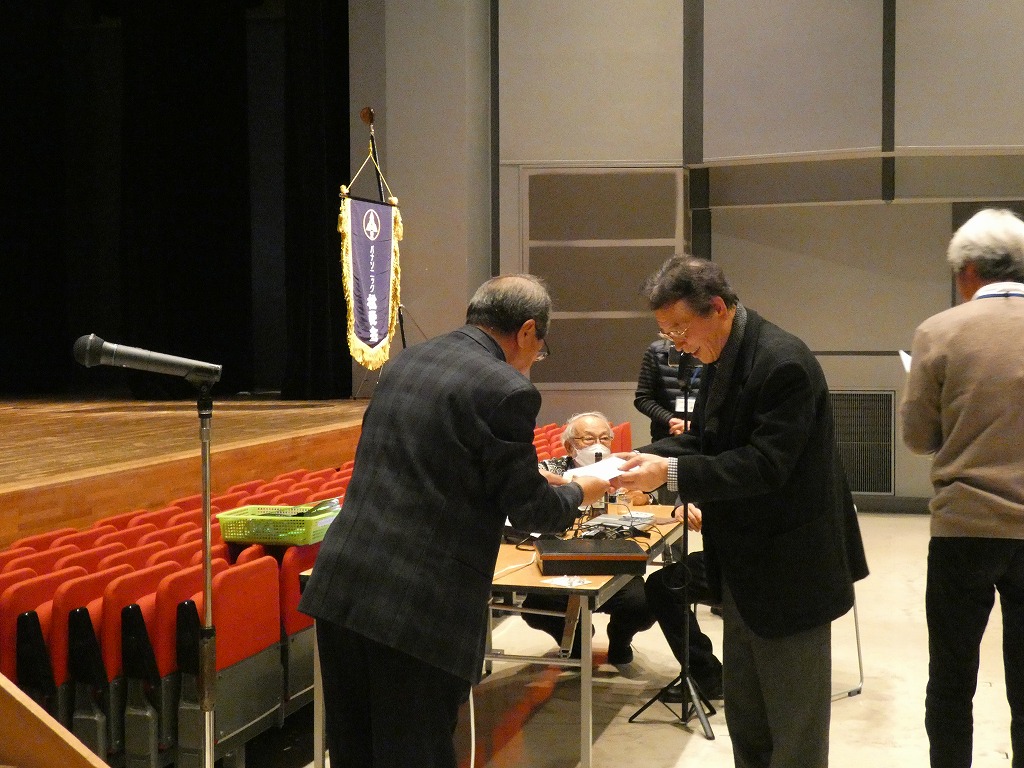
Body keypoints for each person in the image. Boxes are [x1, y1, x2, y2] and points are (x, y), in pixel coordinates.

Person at [298, 274, 610, 768]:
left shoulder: (408, 361)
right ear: (528, 331)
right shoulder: (506, 388)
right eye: (540, 348)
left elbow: (436, 459)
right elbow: (534, 513)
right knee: (415, 754)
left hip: (344, 585)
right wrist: (585, 487)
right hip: (416, 607)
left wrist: (526, 478)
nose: (535, 359)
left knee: (356, 751)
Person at [612, 254, 868, 768]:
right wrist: (641, 459)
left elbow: (765, 465)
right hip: (744, 569)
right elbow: (709, 440)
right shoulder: (720, 357)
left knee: (794, 734)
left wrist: (671, 474)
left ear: (719, 307)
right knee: (748, 724)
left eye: (680, 329)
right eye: (667, 334)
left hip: (791, 571)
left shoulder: (782, 363)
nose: (676, 344)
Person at [900, 208, 1024, 768]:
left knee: (951, 679)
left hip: (964, 528)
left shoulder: (940, 331)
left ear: (967, 270)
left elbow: (917, 438)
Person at [522, 411, 657, 665]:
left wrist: (644, 497)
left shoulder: (621, 469)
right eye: (588, 439)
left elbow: (651, 500)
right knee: (536, 606)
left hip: (611, 560)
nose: (598, 445)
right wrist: (566, 484)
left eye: (605, 438)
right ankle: (577, 639)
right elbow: (531, 484)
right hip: (562, 560)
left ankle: (620, 639)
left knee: (644, 604)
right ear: (569, 446)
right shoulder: (553, 468)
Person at [634, 337, 704, 441]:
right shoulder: (657, 352)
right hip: (665, 435)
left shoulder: (711, 351)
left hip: (702, 436)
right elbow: (643, 399)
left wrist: (695, 425)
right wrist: (670, 420)